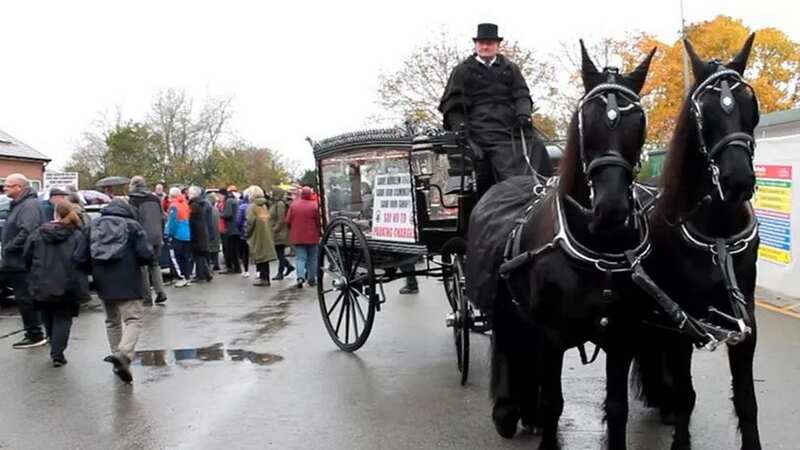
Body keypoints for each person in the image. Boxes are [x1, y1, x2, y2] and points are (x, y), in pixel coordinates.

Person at [438, 23, 552, 197]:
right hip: (480, 129)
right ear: (476, 45)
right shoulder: (463, 71)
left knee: (537, 146)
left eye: (490, 43)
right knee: (502, 155)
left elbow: (521, 94)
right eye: (482, 43)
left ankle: (543, 189)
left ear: (497, 46)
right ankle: (514, 194)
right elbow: (454, 107)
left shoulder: (510, 68)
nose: (485, 46)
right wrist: (464, 135)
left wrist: (524, 114)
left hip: (511, 126)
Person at [81, 198, 154, 383]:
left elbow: (80, 255)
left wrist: (91, 271)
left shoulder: (93, 225)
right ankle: (124, 354)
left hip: (102, 279)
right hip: (128, 278)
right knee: (133, 319)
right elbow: (145, 254)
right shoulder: (133, 226)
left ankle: (117, 356)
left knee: (111, 321)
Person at [23, 202, 90, 366]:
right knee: (63, 317)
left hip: (41, 280)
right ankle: (57, 352)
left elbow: (27, 255)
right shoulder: (76, 235)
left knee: (47, 314)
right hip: (68, 282)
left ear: (55, 215)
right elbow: (83, 258)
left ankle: (54, 344)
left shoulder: (39, 233)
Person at [1, 174, 46, 348]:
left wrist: (10, 246)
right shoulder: (19, 204)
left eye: (8, 185)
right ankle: (35, 332)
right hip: (13, 260)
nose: (5, 188)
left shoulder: (29, 205)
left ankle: (35, 334)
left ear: (19, 187)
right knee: (24, 297)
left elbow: (28, 230)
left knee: (25, 298)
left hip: (21, 261)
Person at [128, 176, 167, 305]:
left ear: (133, 185)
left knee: (142, 267)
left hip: (143, 237)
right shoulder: (155, 198)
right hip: (157, 236)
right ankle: (160, 292)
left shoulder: (133, 200)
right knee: (155, 265)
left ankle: (147, 297)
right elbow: (162, 217)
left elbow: (133, 220)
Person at [286, 186, 320, 289]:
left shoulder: (293, 206)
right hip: (312, 236)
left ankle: (300, 278)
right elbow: (319, 222)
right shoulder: (314, 206)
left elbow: (287, 221)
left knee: (300, 258)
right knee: (312, 258)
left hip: (298, 237)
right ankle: (311, 279)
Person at [244, 186, 278, 286]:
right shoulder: (264, 205)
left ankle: (263, 278)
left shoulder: (252, 207)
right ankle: (266, 277)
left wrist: (247, 233)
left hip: (257, 234)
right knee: (265, 256)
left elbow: (250, 221)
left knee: (259, 255)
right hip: (266, 232)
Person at [165, 187, 192, 287]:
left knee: (176, 257)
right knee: (185, 257)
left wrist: (169, 234)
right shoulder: (185, 203)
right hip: (187, 234)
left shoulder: (174, 206)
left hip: (178, 235)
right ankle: (187, 277)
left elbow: (173, 223)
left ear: (172, 196)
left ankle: (181, 277)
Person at [187, 186, 211, 283]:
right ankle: (206, 274)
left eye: (189, 193)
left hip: (196, 232)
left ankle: (200, 275)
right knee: (200, 254)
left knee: (198, 254)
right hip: (201, 231)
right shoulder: (201, 203)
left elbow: (191, 220)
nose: (188, 195)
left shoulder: (194, 205)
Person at [269, 190, 294, 280]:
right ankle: (288, 267)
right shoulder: (274, 204)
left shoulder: (280, 204)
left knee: (280, 253)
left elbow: (281, 219)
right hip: (276, 232)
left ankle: (281, 272)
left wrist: (275, 229)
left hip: (280, 233)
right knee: (279, 253)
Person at [220, 186, 241, 274]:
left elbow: (228, 214)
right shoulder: (235, 200)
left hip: (230, 228)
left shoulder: (228, 201)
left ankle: (232, 268)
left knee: (230, 249)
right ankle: (237, 267)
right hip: (236, 228)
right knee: (235, 249)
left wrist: (220, 214)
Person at [236, 191, 251, 277]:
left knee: (245, 252)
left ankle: (246, 270)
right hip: (254, 232)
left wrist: (240, 229)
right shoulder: (256, 206)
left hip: (244, 232)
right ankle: (258, 271)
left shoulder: (242, 207)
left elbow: (238, 221)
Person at [207, 193, 222, 271]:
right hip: (217, 231)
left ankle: (209, 266)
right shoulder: (216, 209)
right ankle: (216, 264)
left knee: (209, 249)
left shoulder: (209, 210)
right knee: (215, 248)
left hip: (211, 231)